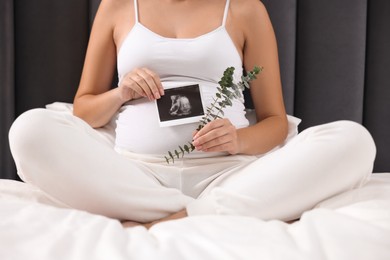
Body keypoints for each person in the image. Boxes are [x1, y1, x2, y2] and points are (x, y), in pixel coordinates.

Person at [9, 0, 376, 228]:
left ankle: (181, 216)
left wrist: (238, 139)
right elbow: (83, 110)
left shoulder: (246, 9)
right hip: (134, 175)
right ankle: (197, 212)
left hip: (230, 175)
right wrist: (122, 92)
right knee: (28, 130)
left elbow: (276, 122)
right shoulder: (117, 6)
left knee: (354, 141)